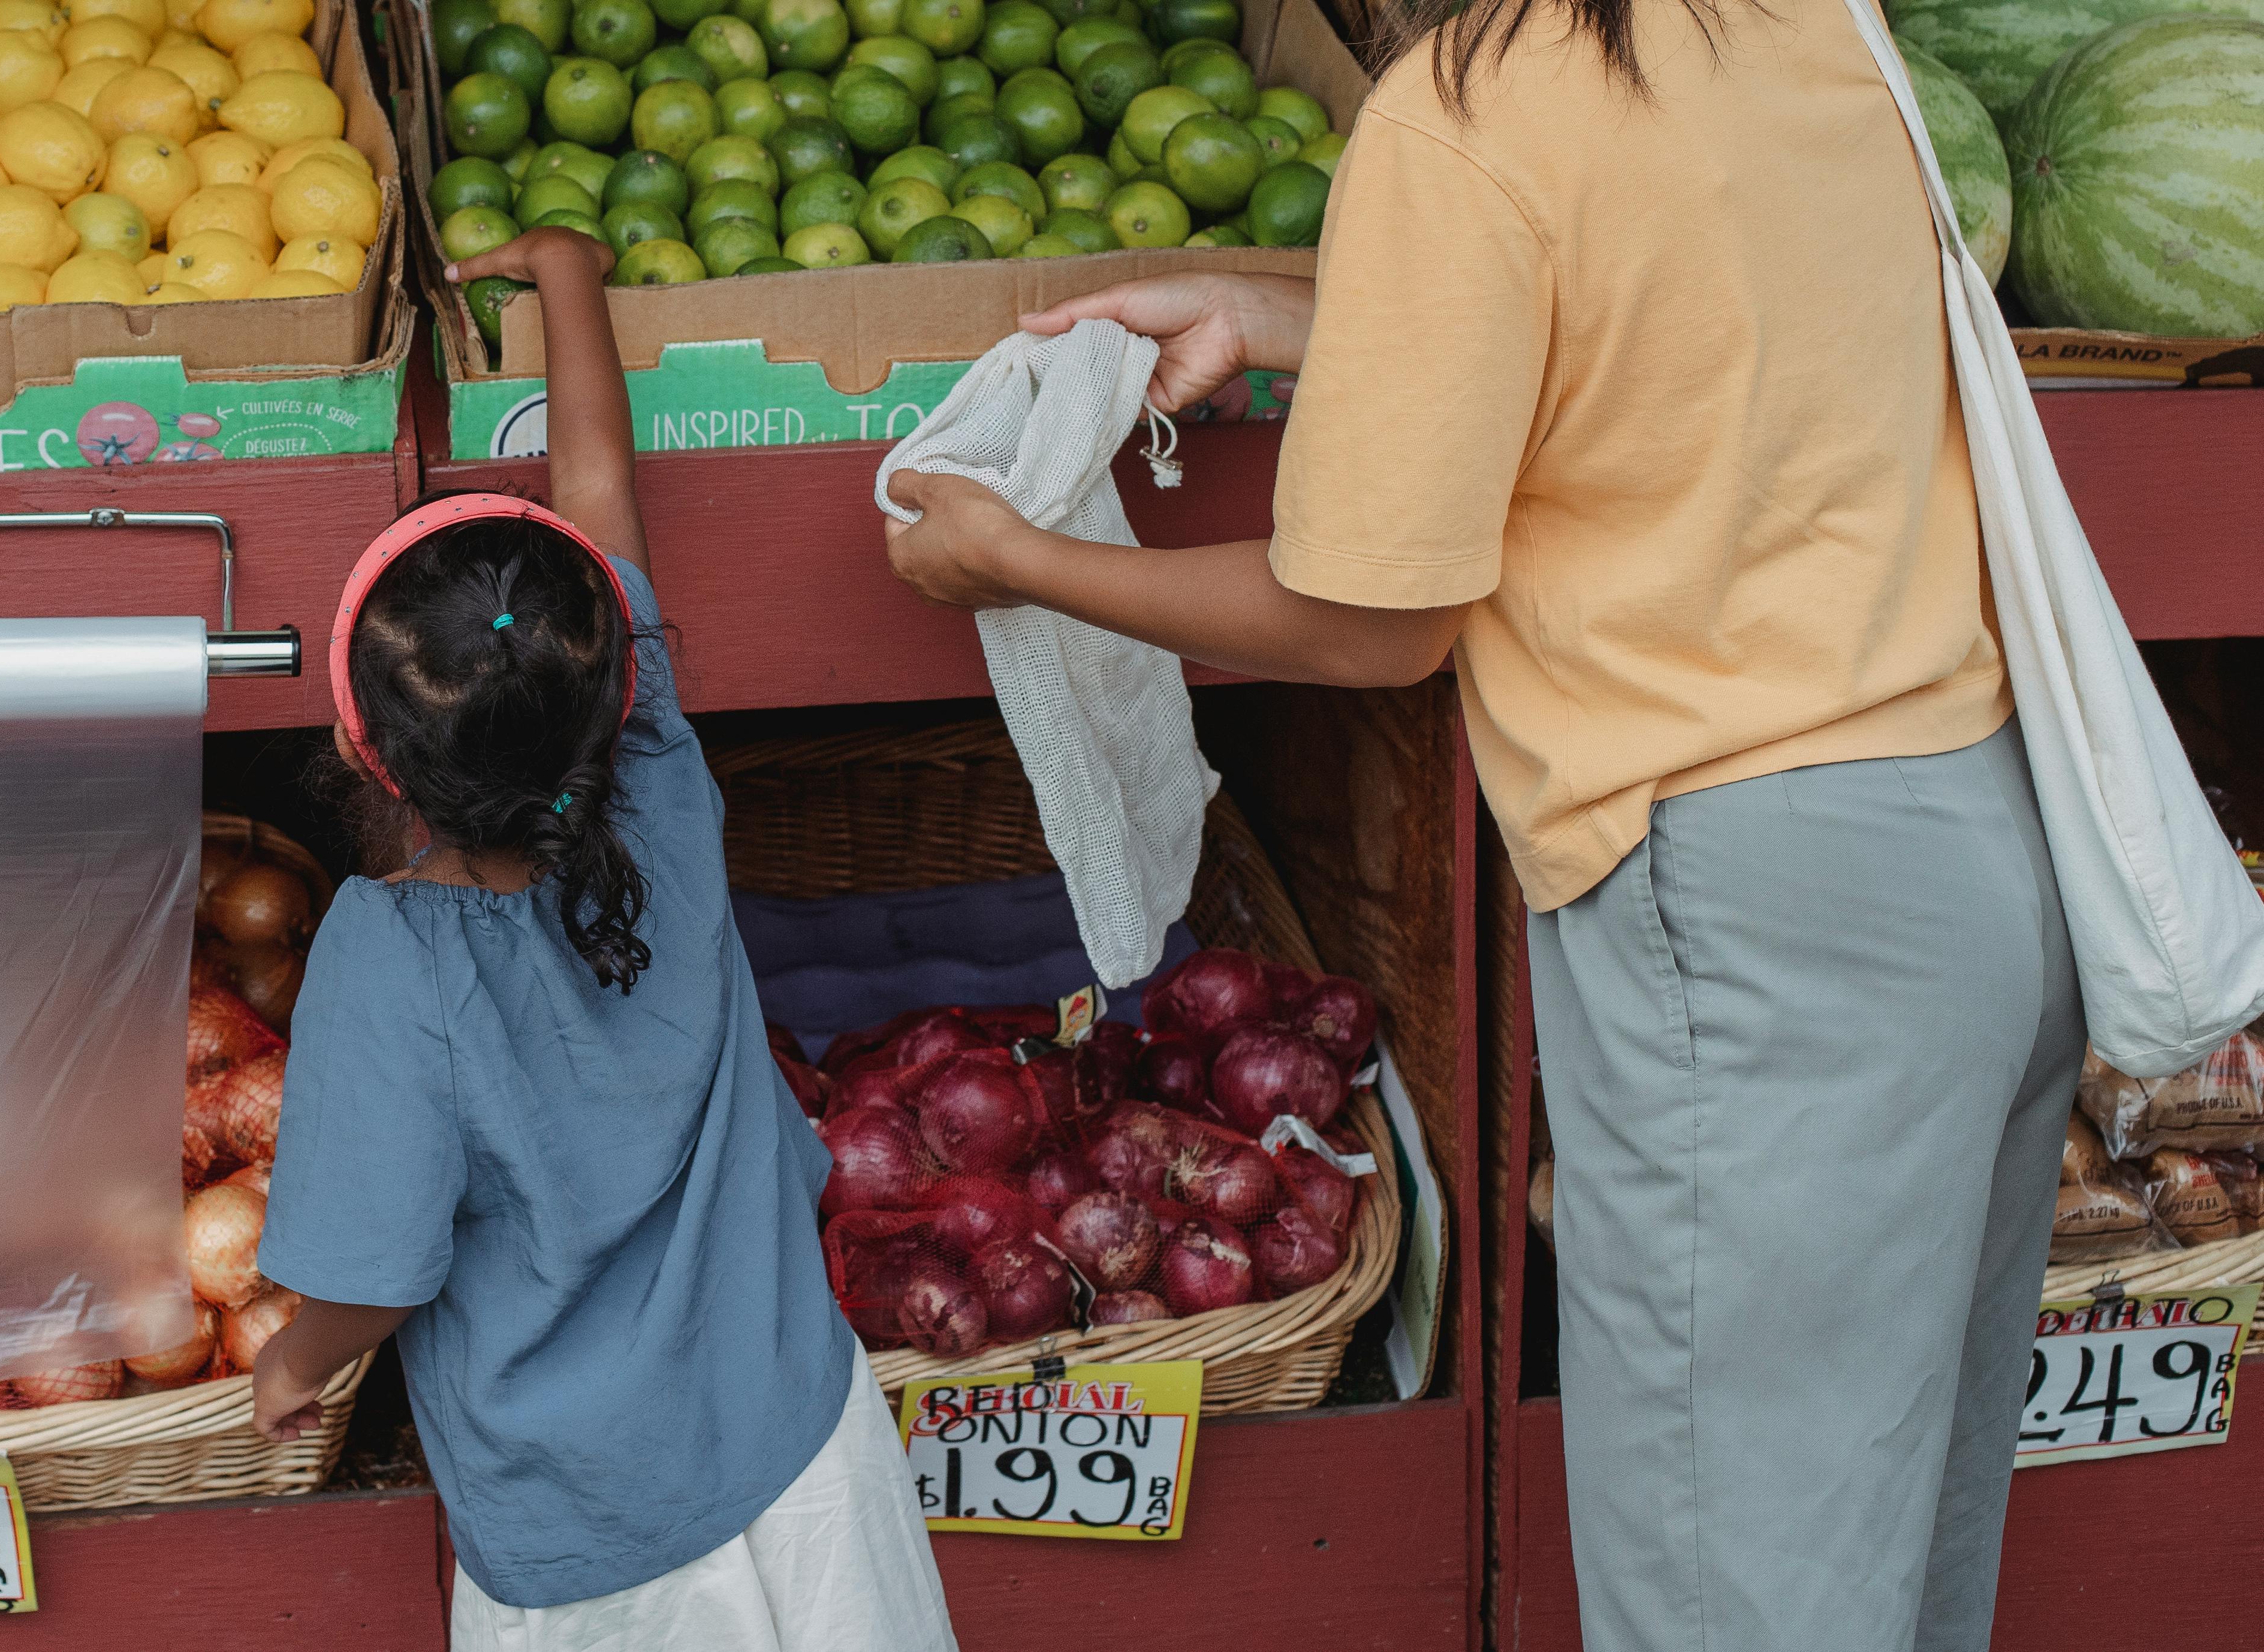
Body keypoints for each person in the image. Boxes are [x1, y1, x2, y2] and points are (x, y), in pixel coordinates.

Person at [881, 0, 2081, 1644]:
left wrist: (1016, 560)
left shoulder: (1465, 112)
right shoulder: (1799, 22)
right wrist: (1266, 300)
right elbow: (1632, 313)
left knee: (1739, 1605)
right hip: (1976, 864)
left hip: (1755, 923)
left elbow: (1376, 619)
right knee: (1896, 1570)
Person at [250, 226, 958, 1652]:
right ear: (616, 680)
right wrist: (569, 278)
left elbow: (373, 1276)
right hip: (802, 1446)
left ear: (360, 751)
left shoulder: (388, 958)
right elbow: (597, 496)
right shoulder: (661, 781)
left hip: (595, 1538)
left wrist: (290, 1362)